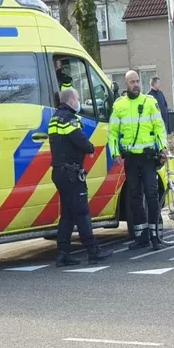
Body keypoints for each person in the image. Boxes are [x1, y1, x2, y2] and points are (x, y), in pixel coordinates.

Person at [48, 88, 113, 266]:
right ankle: (93, 251)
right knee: (82, 212)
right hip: (71, 173)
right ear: (71, 101)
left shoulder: (55, 118)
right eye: (77, 99)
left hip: (59, 172)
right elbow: (80, 140)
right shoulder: (69, 119)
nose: (78, 102)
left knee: (68, 215)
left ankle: (62, 253)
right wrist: (91, 148)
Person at [109, 70, 168, 251]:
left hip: (148, 157)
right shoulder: (119, 105)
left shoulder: (150, 102)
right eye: (132, 82)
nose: (136, 84)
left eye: (137, 81)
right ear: (126, 84)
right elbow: (113, 132)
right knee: (134, 196)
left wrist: (163, 147)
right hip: (131, 159)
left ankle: (155, 235)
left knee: (151, 195)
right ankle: (141, 236)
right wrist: (115, 153)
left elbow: (159, 127)